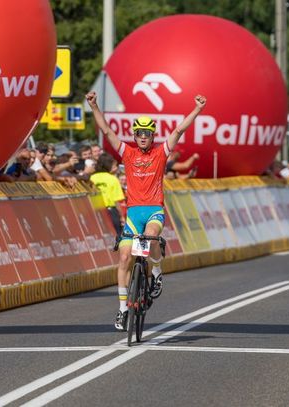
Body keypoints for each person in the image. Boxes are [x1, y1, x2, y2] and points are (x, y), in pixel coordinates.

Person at [86, 90, 207, 331]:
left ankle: (158, 272)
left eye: (147, 134)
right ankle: (122, 310)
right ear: (135, 135)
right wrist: (94, 106)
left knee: (152, 235)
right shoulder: (127, 153)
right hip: (133, 214)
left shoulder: (160, 153)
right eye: (139, 134)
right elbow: (108, 131)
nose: (143, 137)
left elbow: (178, 131)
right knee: (124, 257)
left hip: (153, 211)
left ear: (152, 136)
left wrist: (197, 110)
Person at [90, 152, 126, 235]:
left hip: (96, 211)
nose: (116, 168)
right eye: (114, 165)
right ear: (108, 165)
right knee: (117, 237)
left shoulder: (92, 177)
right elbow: (117, 201)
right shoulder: (113, 179)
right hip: (111, 211)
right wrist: (121, 216)